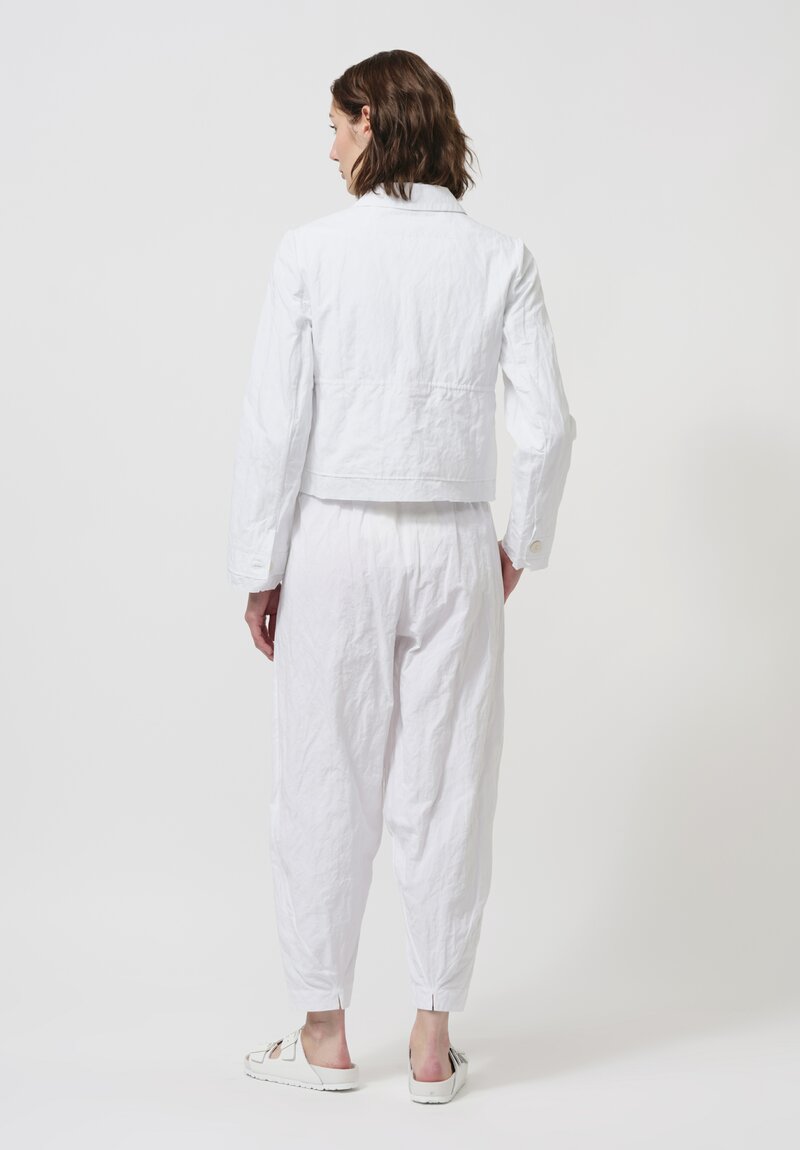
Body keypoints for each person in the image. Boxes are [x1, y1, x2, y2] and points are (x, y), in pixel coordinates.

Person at [227, 49, 577, 1103]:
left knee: (321, 778)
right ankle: (430, 1043)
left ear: (372, 121)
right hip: (456, 541)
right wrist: (519, 543)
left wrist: (260, 567)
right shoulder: (500, 258)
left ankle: (324, 1035)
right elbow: (547, 427)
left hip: (334, 538)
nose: (330, 147)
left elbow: (274, 425)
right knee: (449, 785)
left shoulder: (310, 252)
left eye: (337, 125)